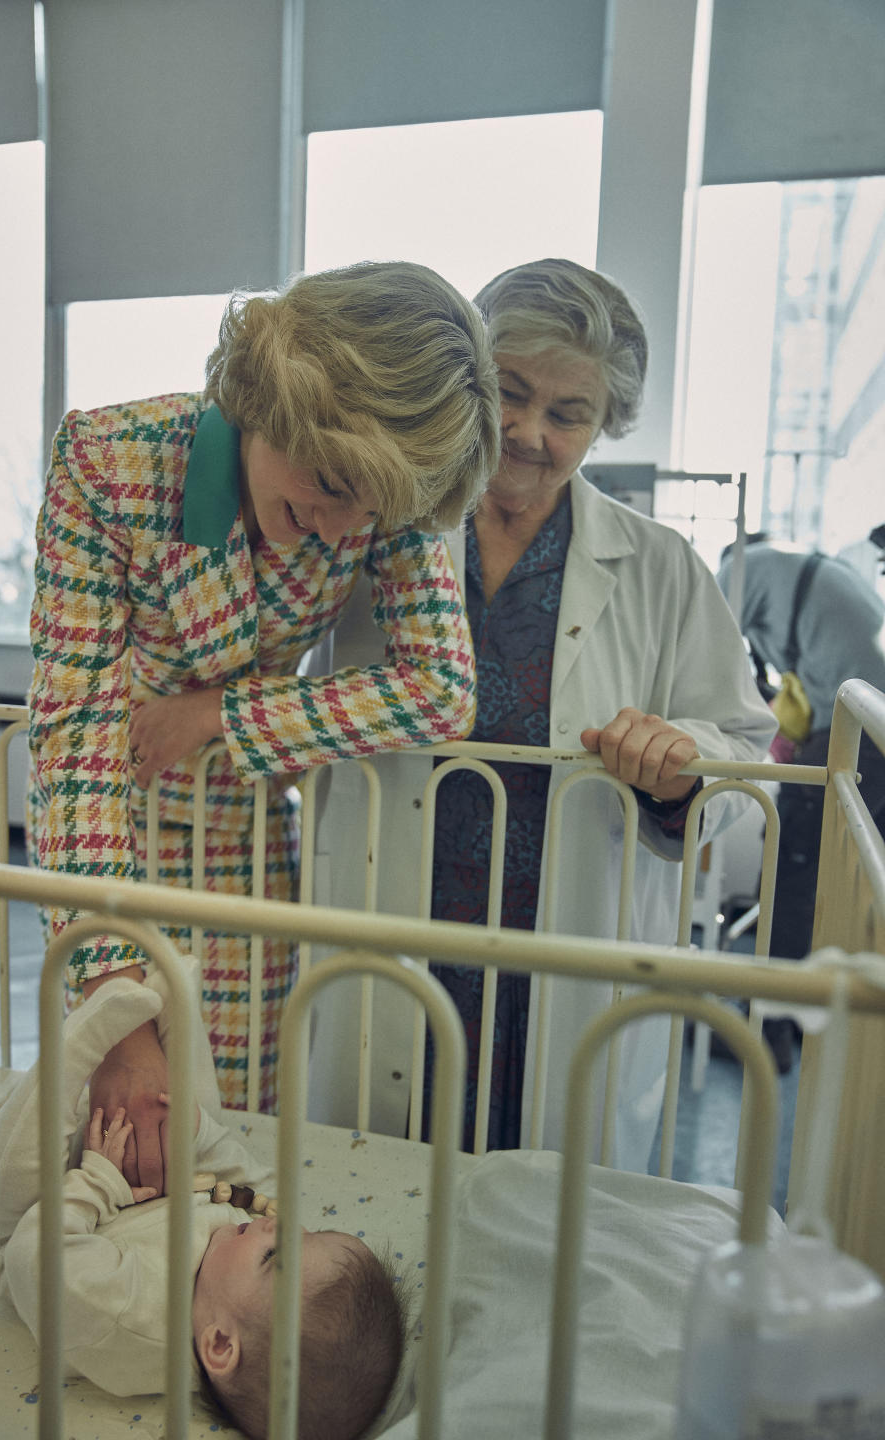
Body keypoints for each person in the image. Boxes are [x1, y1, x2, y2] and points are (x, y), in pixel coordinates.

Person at [26, 260, 501, 1196]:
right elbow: (75, 745)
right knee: (108, 1129)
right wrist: (115, 1003)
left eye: (370, 512)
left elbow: (443, 688)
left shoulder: (377, 489)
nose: (339, 531)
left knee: (232, 1133)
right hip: (104, 834)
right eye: (327, 485)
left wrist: (221, 713)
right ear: (274, 401)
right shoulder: (111, 461)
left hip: (247, 838)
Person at [308, 258, 776, 1169]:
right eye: (510, 394)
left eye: (568, 414)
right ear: (473, 383)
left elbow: (746, 746)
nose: (526, 433)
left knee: (545, 1248)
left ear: (605, 427)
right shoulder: (380, 520)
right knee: (363, 1221)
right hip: (393, 923)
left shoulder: (660, 567)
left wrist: (685, 764)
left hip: (561, 957)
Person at [0, 959, 406, 1440]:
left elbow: (36, 1259)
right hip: (129, 1182)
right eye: (307, 1234)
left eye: (273, 1256)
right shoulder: (230, 1267)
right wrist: (194, 1129)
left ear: (220, 1343)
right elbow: (248, 1176)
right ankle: (164, 1003)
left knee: (8, 1176)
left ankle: (91, 1031)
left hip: (28, 1227)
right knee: (190, 1107)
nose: (277, 1228)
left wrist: (98, 1182)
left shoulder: (133, 1322)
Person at [717, 537, 885, 968]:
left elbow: (703, 645)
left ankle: (761, 1020)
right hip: (870, 726)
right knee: (856, 878)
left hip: (855, 729)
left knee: (788, 866)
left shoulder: (740, 566)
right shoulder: (804, 569)